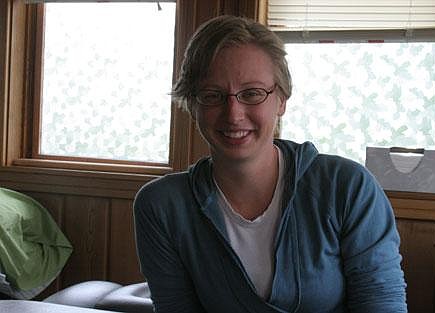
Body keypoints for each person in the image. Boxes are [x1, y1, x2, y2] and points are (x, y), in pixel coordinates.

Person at [134, 15, 407, 313]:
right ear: (192, 103)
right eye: (212, 95)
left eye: (252, 93)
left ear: (281, 99)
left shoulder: (347, 187)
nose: (233, 114)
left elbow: (382, 305)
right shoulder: (162, 205)